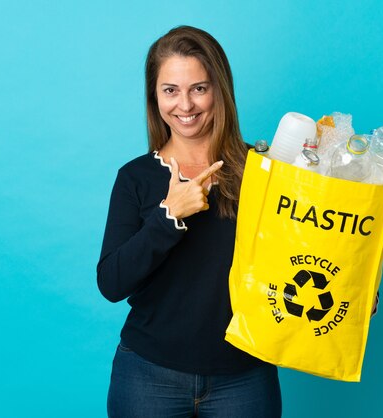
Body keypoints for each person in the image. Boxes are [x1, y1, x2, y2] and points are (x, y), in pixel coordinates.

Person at [97, 26, 282, 418]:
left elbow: (299, 252)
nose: (185, 104)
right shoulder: (135, 178)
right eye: (170, 90)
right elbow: (111, 283)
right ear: (155, 96)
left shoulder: (263, 172)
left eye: (199, 88)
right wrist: (168, 216)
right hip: (147, 376)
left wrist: (355, 292)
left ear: (220, 90)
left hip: (244, 377)